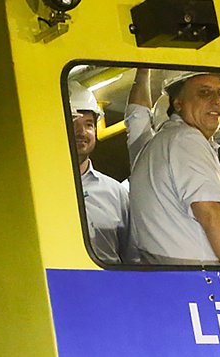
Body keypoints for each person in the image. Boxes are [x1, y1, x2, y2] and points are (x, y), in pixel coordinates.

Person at [128, 70, 220, 265]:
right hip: (207, 284)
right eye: (204, 93)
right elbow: (212, 214)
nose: (217, 101)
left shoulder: (159, 146)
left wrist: (143, 71)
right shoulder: (186, 139)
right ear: (178, 103)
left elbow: (136, 117)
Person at [68, 80, 132, 264]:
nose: (82, 132)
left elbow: (131, 255)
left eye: (88, 124)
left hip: (109, 289)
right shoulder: (41, 188)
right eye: (73, 124)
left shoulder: (116, 193)